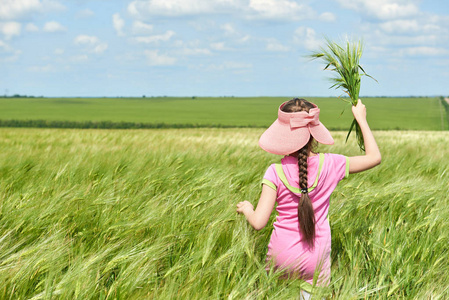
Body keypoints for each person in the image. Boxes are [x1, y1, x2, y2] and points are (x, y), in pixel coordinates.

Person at [236, 98, 381, 299]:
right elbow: (374, 157)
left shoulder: (275, 172)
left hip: (281, 258)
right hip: (317, 260)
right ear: (314, 132)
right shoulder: (332, 164)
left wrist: (247, 209)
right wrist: (361, 119)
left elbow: (259, 222)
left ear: (283, 137)